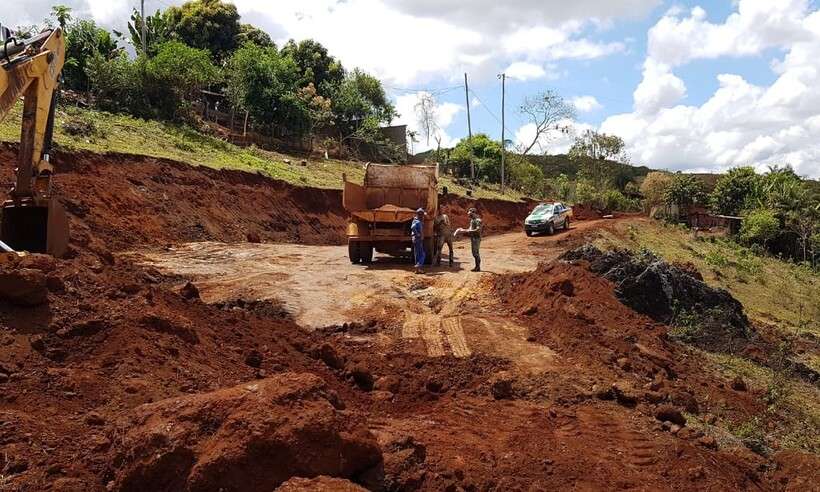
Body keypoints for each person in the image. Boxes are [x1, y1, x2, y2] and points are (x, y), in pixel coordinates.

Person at [461, 208, 482, 272]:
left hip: (476, 238)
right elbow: (469, 229)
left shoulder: (478, 220)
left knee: (475, 253)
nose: (469, 215)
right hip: (473, 238)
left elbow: (478, 230)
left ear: (473, 213)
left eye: (470, 214)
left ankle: (478, 267)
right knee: (474, 253)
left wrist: (467, 231)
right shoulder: (472, 220)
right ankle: (477, 266)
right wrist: (463, 230)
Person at [411, 208, 426, 273]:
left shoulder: (415, 220)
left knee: (417, 254)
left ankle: (417, 270)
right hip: (418, 239)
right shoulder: (418, 221)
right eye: (423, 215)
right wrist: (417, 234)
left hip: (415, 239)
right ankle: (418, 265)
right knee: (422, 254)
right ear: (421, 215)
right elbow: (412, 227)